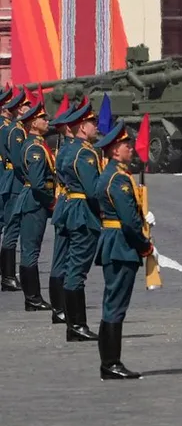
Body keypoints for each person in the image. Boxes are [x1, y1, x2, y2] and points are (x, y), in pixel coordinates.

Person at [95, 121, 154, 379]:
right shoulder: (118, 180)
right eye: (126, 145)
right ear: (114, 150)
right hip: (121, 244)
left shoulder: (113, 175)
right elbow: (129, 221)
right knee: (116, 305)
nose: (131, 148)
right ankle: (111, 363)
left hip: (114, 241)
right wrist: (145, 244)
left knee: (113, 303)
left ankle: (110, 362)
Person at [59, 101, 101, 342]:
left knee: (72, 268)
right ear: (83, 127)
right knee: (77, 270)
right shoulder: (84, 153)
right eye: (92, 123)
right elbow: (92, 190)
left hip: (71, 208)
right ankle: (77, 325)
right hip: (82, 212)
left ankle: (73, 325)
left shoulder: (69, 149)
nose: (96, 126)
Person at [11, 93, 53, 311]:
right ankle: (33, 298)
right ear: (33, 124)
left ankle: (33, 297)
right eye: (43, 118)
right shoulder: (35, 148)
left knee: (31, 249)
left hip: (32, 200)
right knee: (30, 250)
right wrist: (51, 201)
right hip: (34, 202)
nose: (47, 121)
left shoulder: (36, 144)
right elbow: (38, 183)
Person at [47, 99, 83, 326]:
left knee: (60, 259)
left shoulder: (65, 148)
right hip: (71, 207)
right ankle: (60, 308)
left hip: (64, 205)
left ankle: (59, 308)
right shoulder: (74, 151)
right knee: (65, 260)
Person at [0, 86, 19, 292]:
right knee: (11, 227)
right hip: (8, 178)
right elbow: (16, 161)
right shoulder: (8, 128)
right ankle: (8, 276)